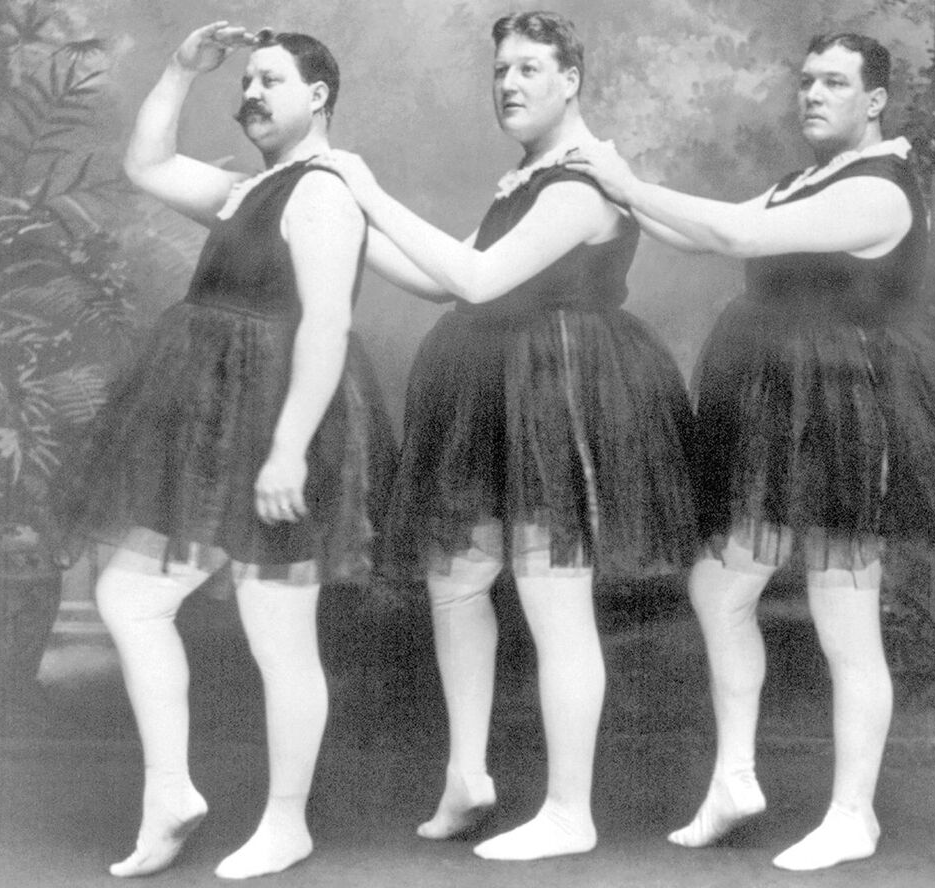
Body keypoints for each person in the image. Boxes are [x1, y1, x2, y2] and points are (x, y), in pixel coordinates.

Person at [565, 32, 935, 871]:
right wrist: (614, 186)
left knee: (843, 613)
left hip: (851, 405)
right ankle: (735, 781)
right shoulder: (804, 181)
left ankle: (854, 815)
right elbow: (710, 235)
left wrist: (625, 183)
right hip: (779, 407)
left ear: (874, 100)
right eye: (807, 80)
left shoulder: (880, 189)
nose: (812, 93)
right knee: (719, 586)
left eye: (834, 82)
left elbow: (737, 237)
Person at [314, 11, 696, 862]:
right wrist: (343, 219)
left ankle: (569, 809)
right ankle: (467, 776)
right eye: (501, 71)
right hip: (492, 387)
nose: (509, 84)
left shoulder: (578, 185)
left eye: (528, 69)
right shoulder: (529, 176)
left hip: (562, 391)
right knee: (455, 581)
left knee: (554, 598)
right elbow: (442, 280)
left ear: (571, 80)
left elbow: (479, 278)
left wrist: (368, 193)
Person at [58, 21, 392, 880]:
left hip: (284, 425)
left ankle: (288, 822)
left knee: (279, 635)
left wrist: (288, 451)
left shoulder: (322, 192)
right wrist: (180, 68)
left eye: (269, 81)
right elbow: (147, 165)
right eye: (245, 83)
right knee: (129, 593)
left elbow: (327, 323)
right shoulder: (253, 188)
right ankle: (170, 795)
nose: (250, 95)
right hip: (216, 427)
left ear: (318, 95)